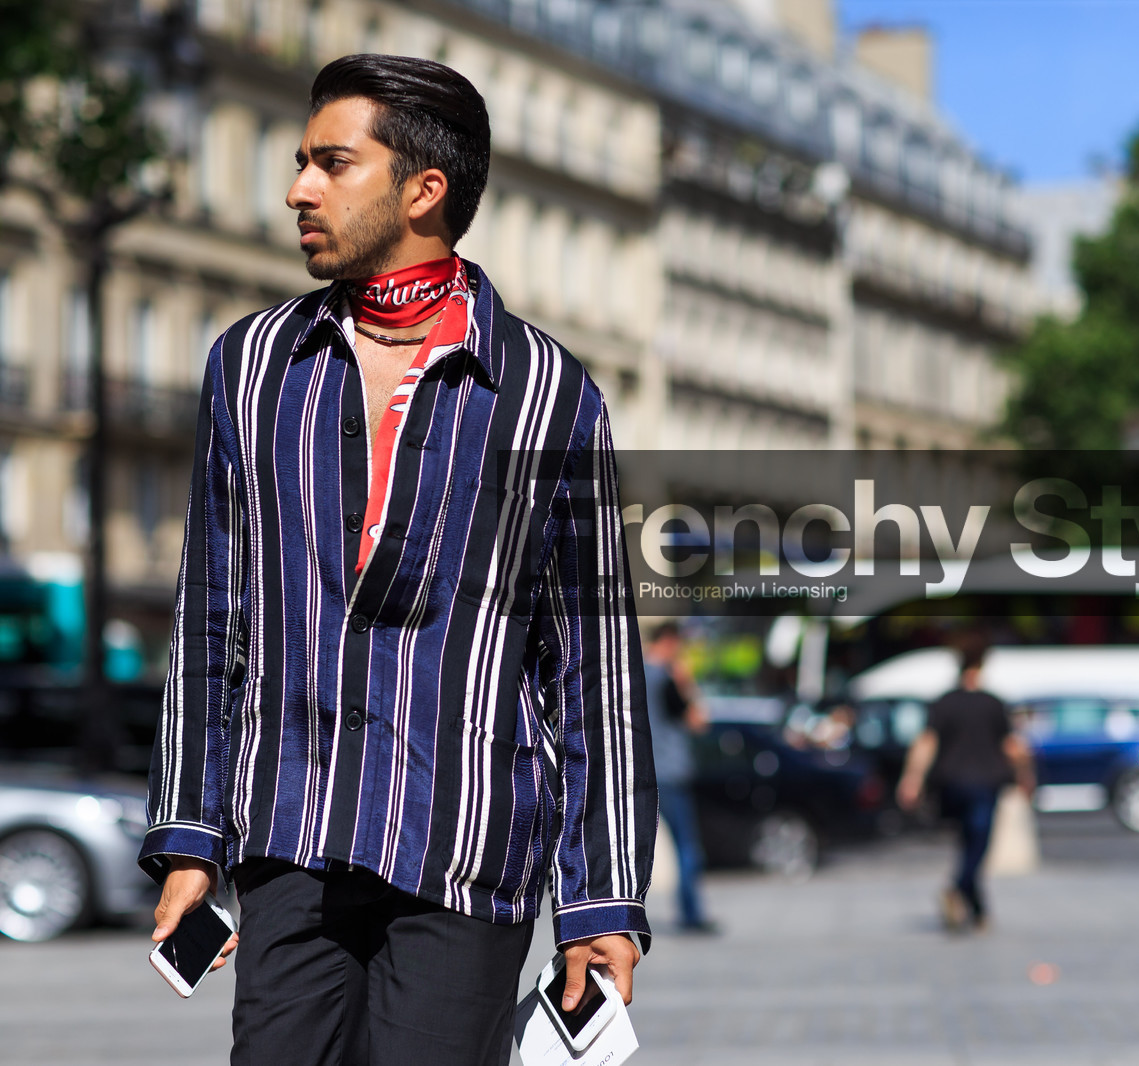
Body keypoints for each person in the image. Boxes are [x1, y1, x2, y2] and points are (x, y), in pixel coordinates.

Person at [139, 54, 656, 1066]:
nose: (297, 188)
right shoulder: (248, 367)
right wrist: (190, 838)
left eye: (331, 163)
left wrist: (602, 896)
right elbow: (213, 612)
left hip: (466, 849)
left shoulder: (547, 394)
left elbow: (593, 664)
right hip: (290, 834)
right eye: (299, 163)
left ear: (425, 189)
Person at [895, 638, 1033, 931]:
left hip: (951, 782)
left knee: (967, 843)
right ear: (982, 665)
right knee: (978, 844)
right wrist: (1026, 774)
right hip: (984, 783)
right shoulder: (993, 703)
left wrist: (912, 778)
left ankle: (978, 909)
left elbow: (926, 742)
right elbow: (1013, 747)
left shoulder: (945, 702)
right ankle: (958, 889)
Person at [642, 621, 715, 934]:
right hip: (671, 772)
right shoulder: (668, 678)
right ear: (670, 642)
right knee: (687, 847)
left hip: (640, 771)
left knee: (629, 848)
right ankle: (691, 913)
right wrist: (687, 682)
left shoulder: (632, 671)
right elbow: (699, 721)